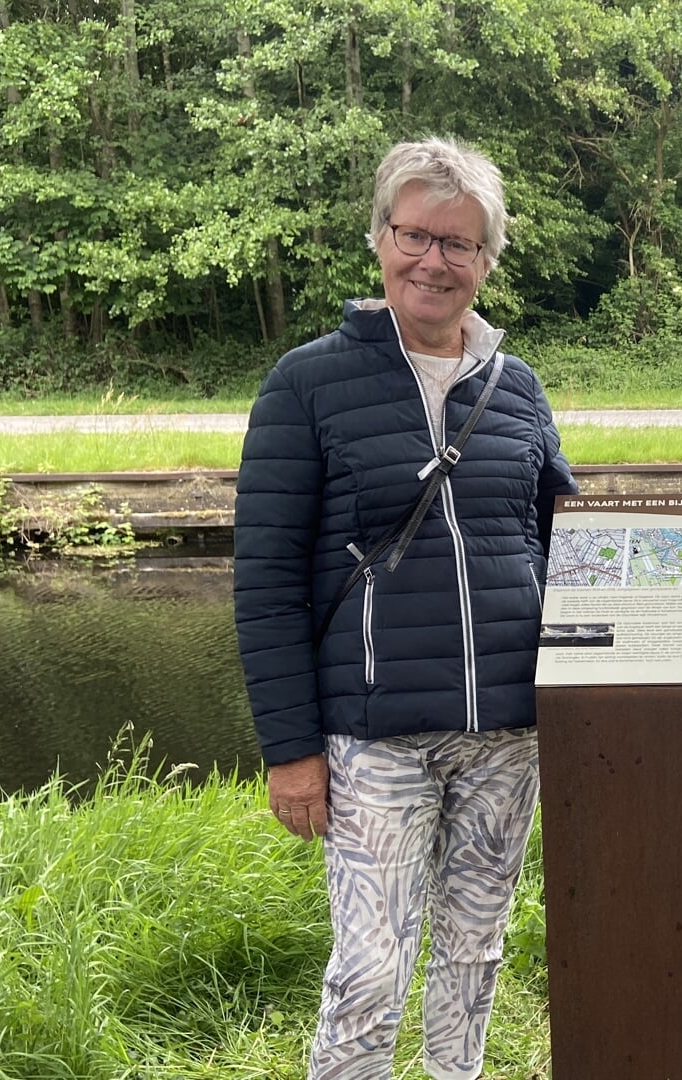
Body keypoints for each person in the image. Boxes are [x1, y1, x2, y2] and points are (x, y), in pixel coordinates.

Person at [234, 136, 576, 1080]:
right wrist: (291, 750)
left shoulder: (517, 387)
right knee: (371, 972)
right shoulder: (306, 383)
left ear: (486, 260)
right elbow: (262, 581)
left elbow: (563, 545)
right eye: (415, 235)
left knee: (474, 956)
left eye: (458, 243)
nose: (435, 260)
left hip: (507, 733)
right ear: (381, 240)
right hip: (375, 739)